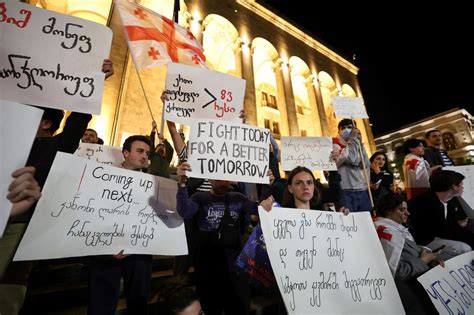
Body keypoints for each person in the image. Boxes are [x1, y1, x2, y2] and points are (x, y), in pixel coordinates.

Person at [175, 162, 272, 315]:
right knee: (210, 304)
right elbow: (185, 212)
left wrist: (266, 185)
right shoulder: (200, 197)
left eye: (226, 177)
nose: (223, 181)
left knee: (236, 304)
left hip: (233, 262)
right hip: (207, 261)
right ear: (210, 178)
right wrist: (181, 185)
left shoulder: (238, 198)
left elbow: (261, 209)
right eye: (219, 177)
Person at [88, 135, 153, 315]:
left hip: (139, 251)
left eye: (147, 153)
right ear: (125, 153)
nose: (144, 156)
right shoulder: (103, 178)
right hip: (105, 250)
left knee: (139, 299)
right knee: (101, 303)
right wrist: (108, 245)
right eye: (140, 151)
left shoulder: (154, 184)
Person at [373, 193, 443, 314]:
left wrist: (430, 260)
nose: (408, 213)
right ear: (388, 210)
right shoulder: (387, 233)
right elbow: (397, 272)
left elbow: (411, 252)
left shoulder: (397, 229)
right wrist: (423, 261)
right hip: (408, 292)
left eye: (407, 209)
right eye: (402, 210)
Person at [409, 170, 473, 253]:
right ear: (454, 186)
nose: (463, 188)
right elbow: (443, 231)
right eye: (461, 184)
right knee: (464, 248)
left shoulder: (450, 201)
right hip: (424, 241)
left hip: (441, 235)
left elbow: (451, 226)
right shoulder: (424, 203)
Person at [333, 118, 371, 212]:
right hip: (345, 190)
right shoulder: (335, 143)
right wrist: (353, 139)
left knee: (365, 220)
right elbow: (351, 159)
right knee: (349, 222)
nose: (346, 130)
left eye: (350, 127)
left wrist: (361, 145)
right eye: (343, 128)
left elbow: (365, 164)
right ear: (339, 131)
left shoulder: (356, 143)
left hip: (360, 189)